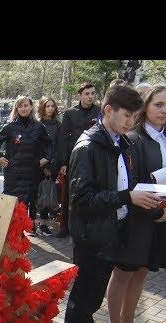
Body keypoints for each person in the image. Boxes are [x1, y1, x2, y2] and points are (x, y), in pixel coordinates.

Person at [57, 84, 161, 323]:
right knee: (83, 297)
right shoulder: (88, 147)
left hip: (110, 232)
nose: (131, 122)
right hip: (92, 236)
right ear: (108, 111)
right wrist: (127, 197)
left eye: (135, 116)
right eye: (127, 115)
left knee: (93, 298)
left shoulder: (120, 143)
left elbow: (121, 184)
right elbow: (82, 200)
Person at [105, 85, 166, 323]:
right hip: (138, 218)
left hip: (164, 217)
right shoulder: (134, 139)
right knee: (124, 273)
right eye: (158, 104)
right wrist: (156, 211)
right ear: (146, 106)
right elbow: (134, 182)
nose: (164, 111)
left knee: (141, 274)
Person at [0, 95, 51, 234]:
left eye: (26, 105)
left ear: (31, 107)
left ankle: (22, 236)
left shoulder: (39, 127)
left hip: (31, 173)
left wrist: (47, 158)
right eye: (20, 106)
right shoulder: (10, 127)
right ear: (16, 108)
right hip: (13, 173)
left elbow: (49, 144)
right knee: (11, 205)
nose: (24, 108)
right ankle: (7, 236)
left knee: (26, 205)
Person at [56, 82, 102, 238]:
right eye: (87, 94)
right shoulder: (70, 113)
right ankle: (65, 226)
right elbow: (62, 139)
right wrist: (63, 162)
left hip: (94, 158)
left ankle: (87, 227)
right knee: (69, 193)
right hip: (73, 158)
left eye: (93, 93)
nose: (90, 97)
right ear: (80, 95)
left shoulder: (100, 112)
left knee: (91, 191)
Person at [36, 96, 62, 236]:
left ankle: (44, 224)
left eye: (53, 106)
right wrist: (43, 163)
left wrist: (53, 165)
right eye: (48, 106)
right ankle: (35, 224)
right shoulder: (38, 124)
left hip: (52, 164)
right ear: (42, 107)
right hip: (39, 164)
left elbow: (58, 145)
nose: (51, 108)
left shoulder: (58, 125)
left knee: (47, 194)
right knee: (37, 194)